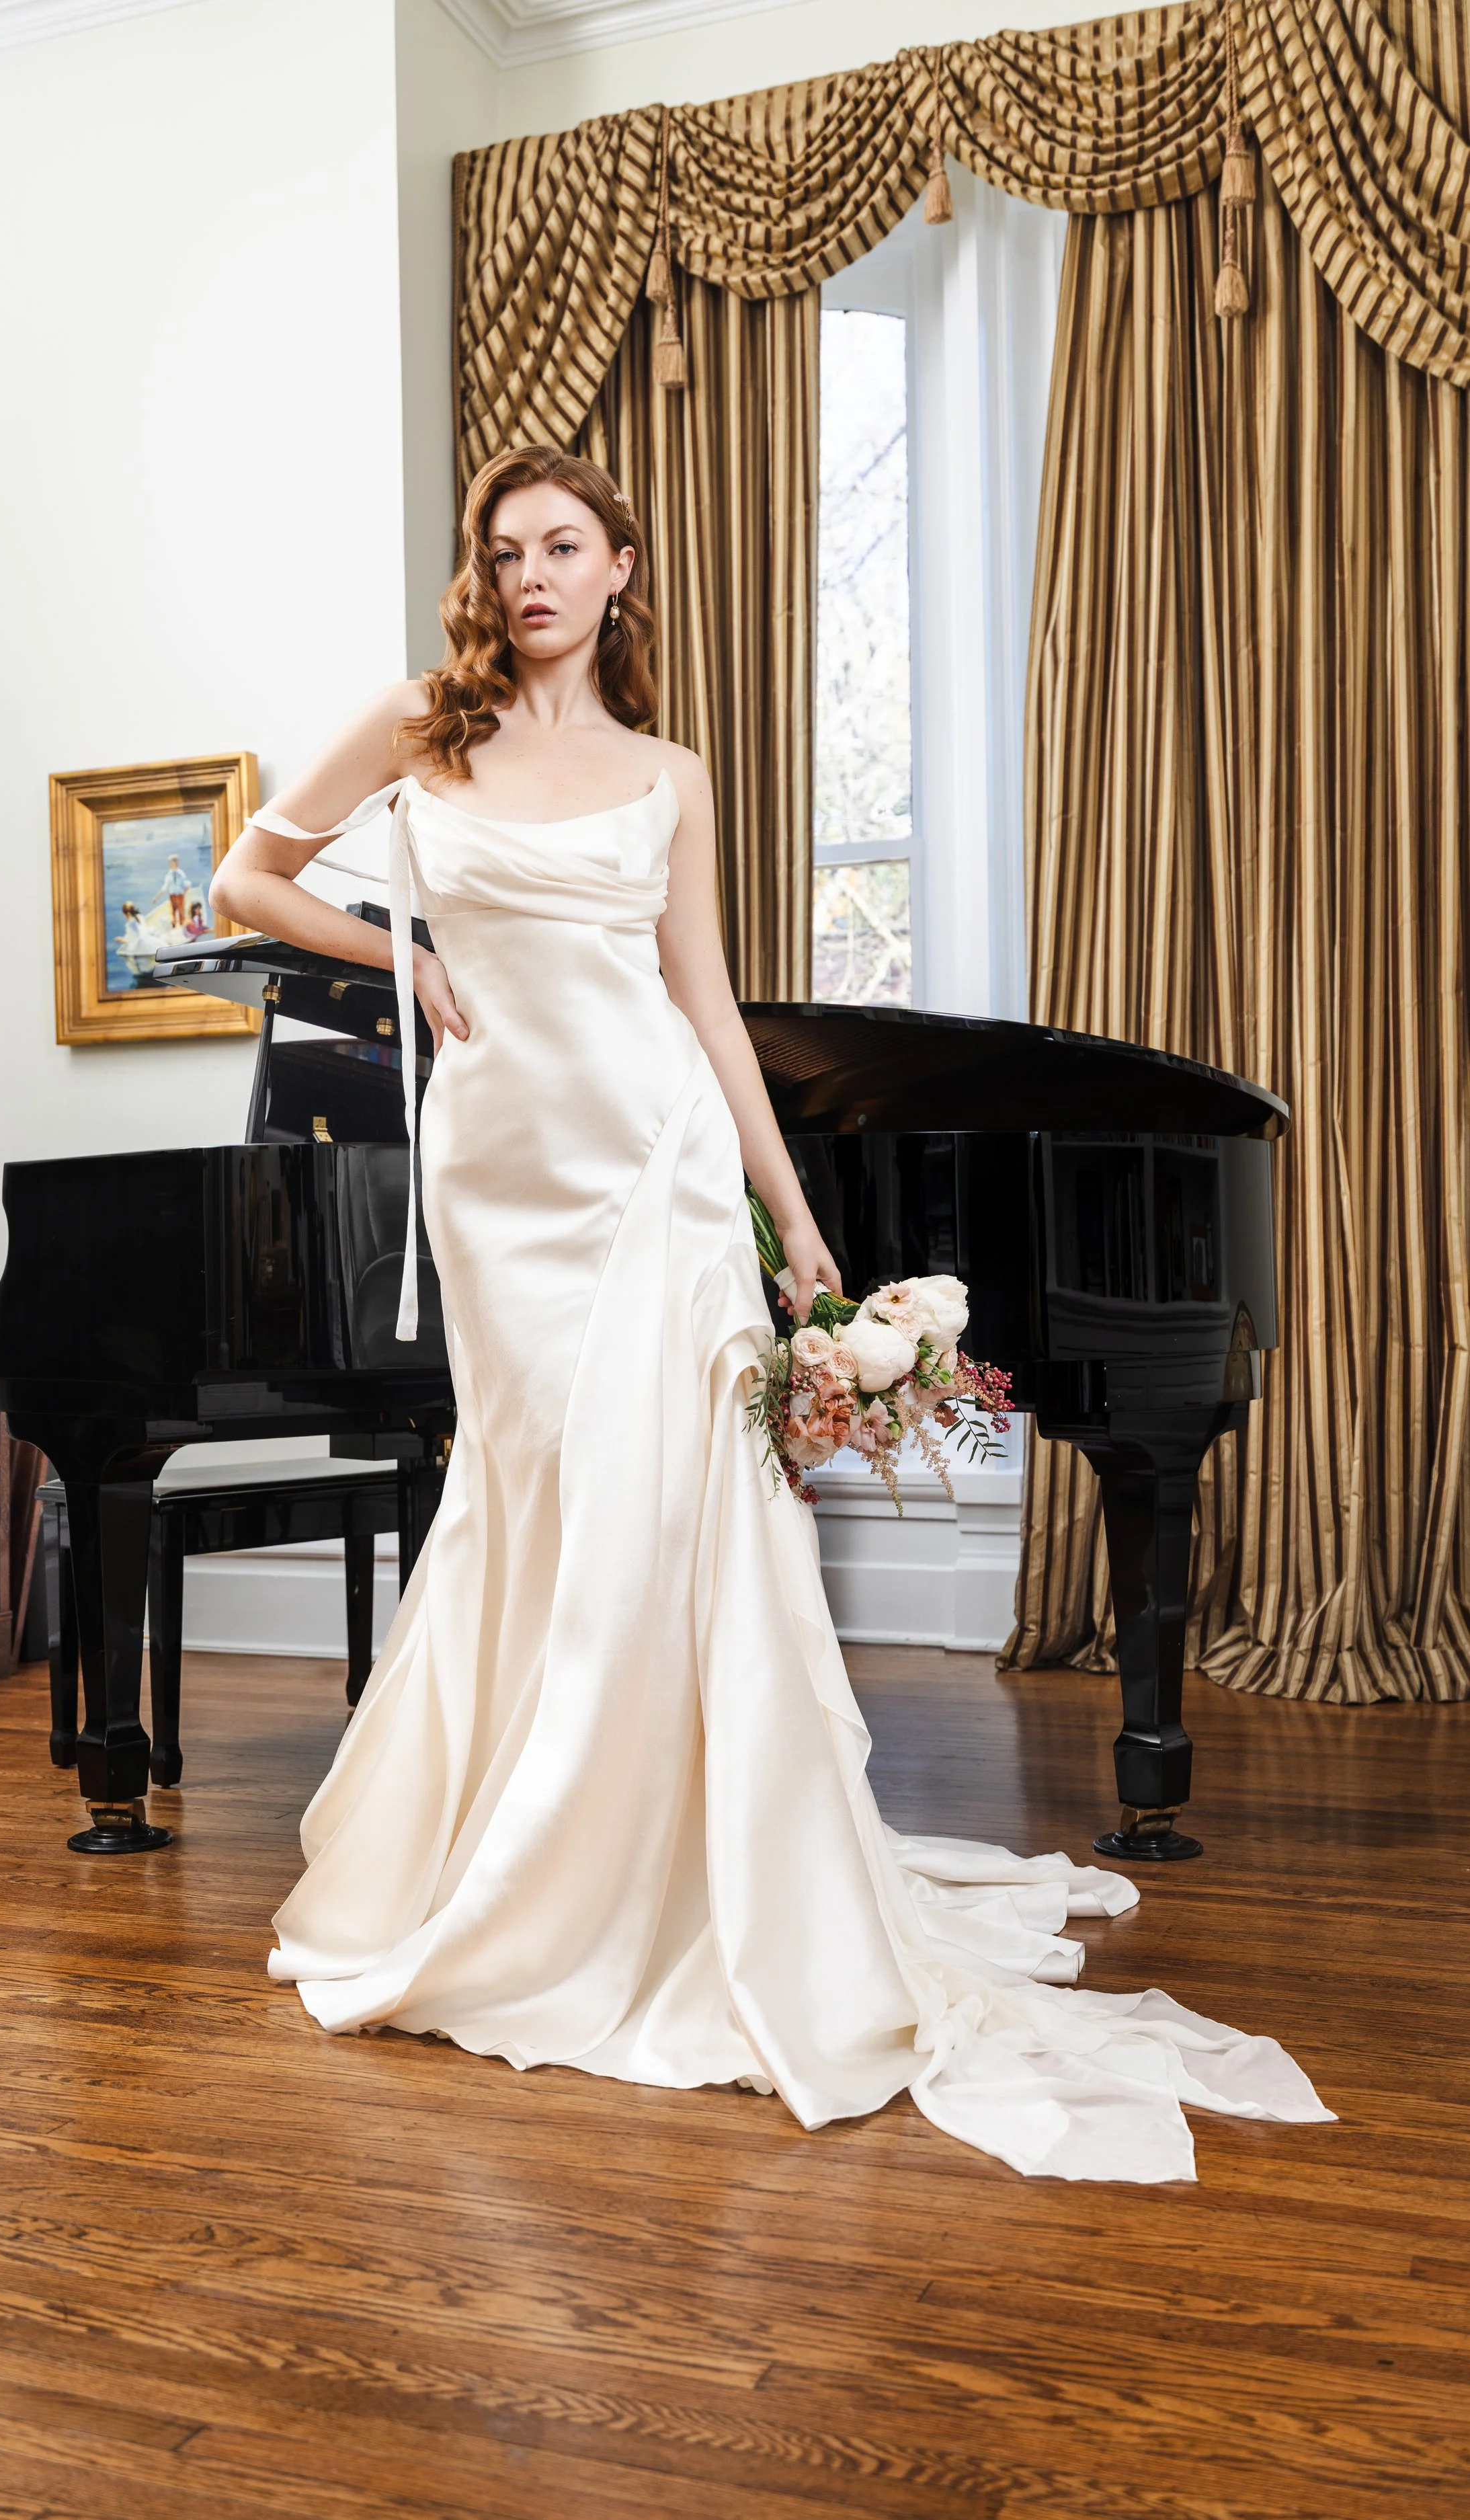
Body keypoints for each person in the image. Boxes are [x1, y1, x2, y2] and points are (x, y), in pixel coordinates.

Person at [208, 445, 1330, 2181]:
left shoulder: (670, 773)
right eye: (504, 550)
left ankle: (681, 1883)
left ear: (620, 567)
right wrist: (404, 963)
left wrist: (794, 1226)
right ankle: (512, 1867)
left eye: (562, 546)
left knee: (679, 1512)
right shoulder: (419, 728)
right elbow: (243, 885)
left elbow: (708, 1010)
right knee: (536, 1501)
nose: (529, 575)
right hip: (499, 1179)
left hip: (656, 1170)